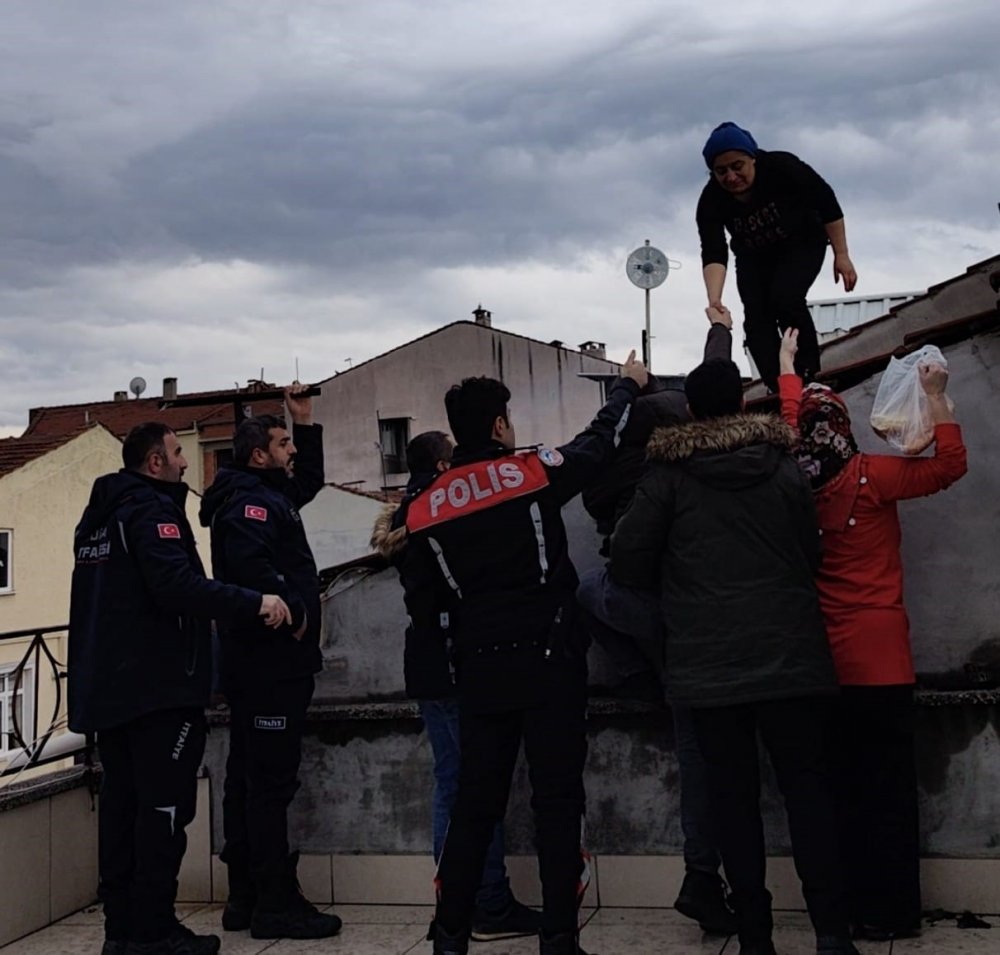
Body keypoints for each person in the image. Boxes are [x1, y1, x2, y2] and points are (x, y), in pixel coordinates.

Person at [608, 358, 860, 955]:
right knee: (808, 793)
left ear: (692, 412)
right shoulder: (783, 467)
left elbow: (626, 560)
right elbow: (810, 554)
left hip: (709, 666)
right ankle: (831, 932)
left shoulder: (668, 477)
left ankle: (755, 937)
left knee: (733, 801)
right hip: (792, 656)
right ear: (745, 405)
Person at [404, 354, 648, 955]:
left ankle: (449, 937)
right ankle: (559, 939)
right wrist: (626, 387)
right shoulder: (530, 473)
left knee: (474, 805)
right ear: (498, 426)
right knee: (557, 802)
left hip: (479, 668)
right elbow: (598, 444)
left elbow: (424, 601)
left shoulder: (424, 508)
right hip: (549, 659)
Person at [68, 422, 292, 955]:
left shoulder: (99, 519)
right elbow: (177, 586)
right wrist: (254, 601)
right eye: (176, 453)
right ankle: (154, 931)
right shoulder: (150, 512)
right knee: (162, 812)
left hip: (109, 691)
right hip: (158, 693)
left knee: (122, 810)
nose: (186, 462)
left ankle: (122, 931)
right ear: (154, 462)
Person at [778, 330, 968, 941]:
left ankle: (848, 910)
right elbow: (949, 465)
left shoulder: (791, 486)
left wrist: (787, 372)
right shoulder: (873, 476)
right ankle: (893, 914)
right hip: (883, 662)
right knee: (887, 794)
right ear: (844, 428)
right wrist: (934, 398)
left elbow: (795, 428)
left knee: (839, 793)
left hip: (823, 666)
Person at [578, 306, 738, 935]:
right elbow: (716, 380)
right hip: (714, 623)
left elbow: (626, 557)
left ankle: (635, 678)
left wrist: (626, 385)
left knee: (584, 593)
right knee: (713, 763)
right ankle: (705, 877)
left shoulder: (631, 472)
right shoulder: (708, 460)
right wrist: (720, 328)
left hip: (655, 615)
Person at [371, 430, 541, 942]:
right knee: (468, 786)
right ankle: (483, 903)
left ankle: (462, 902)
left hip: (429, 662)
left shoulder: (408, 518)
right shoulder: (441, 512)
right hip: (453, 660)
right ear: (444, 466)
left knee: (455, 782)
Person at [199, 384, 341, 941]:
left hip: (263, 663)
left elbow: (306, 484)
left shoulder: (263, 492)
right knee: (268, 785)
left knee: (248, 775)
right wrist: (299, 612)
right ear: (259, 455)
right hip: (269, 663)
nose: (292, 451)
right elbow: (252, 571)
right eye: (284, 444)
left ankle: (245, 897)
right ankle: (274, 904)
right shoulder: (248, 504)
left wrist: (303, 419)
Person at [696, 120, 858, 391]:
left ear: (753, 159)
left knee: (785, 297)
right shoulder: (711, 200)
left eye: (737, 166)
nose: (731, 177)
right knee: (756, 318)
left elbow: (827, 204)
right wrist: (715, 299)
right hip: (753, 256)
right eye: (721, 171)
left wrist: (842, 255)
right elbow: (714, 251)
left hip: (802, 242)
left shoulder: (783, 168)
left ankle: (807, 373)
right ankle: (777, 384)